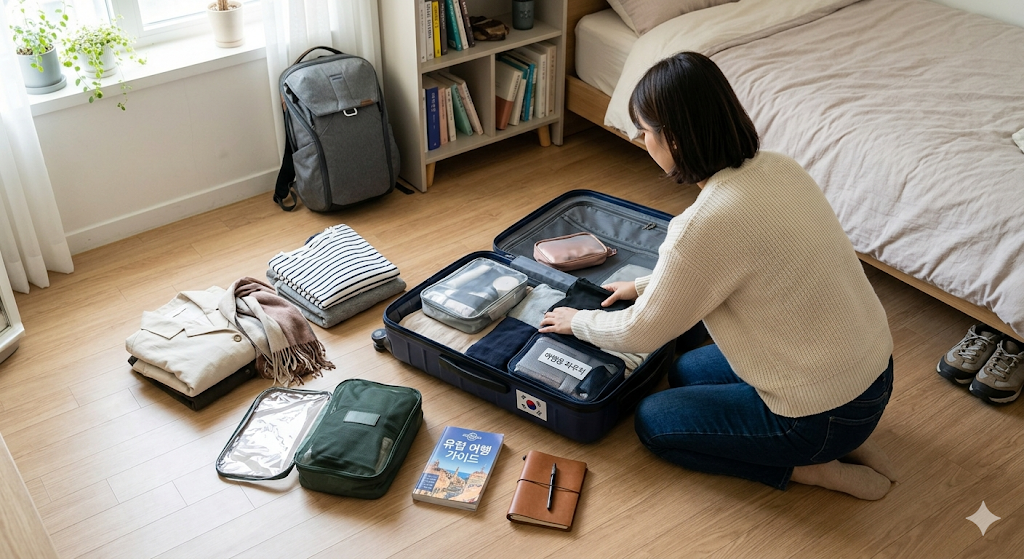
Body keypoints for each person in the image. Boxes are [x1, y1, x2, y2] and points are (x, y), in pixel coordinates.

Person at [538, 52, 897, 500]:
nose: (641, 140)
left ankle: (813, 467)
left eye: (645, 131)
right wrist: (641, 286)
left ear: (674, 139)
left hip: (820, 416)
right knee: (687, 369)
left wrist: (578, 322)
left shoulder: (704, 224)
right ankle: (850, 433)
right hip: (874, 374)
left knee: (654, 423)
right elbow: (731, 267)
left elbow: (642, 331)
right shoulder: (780, 167)